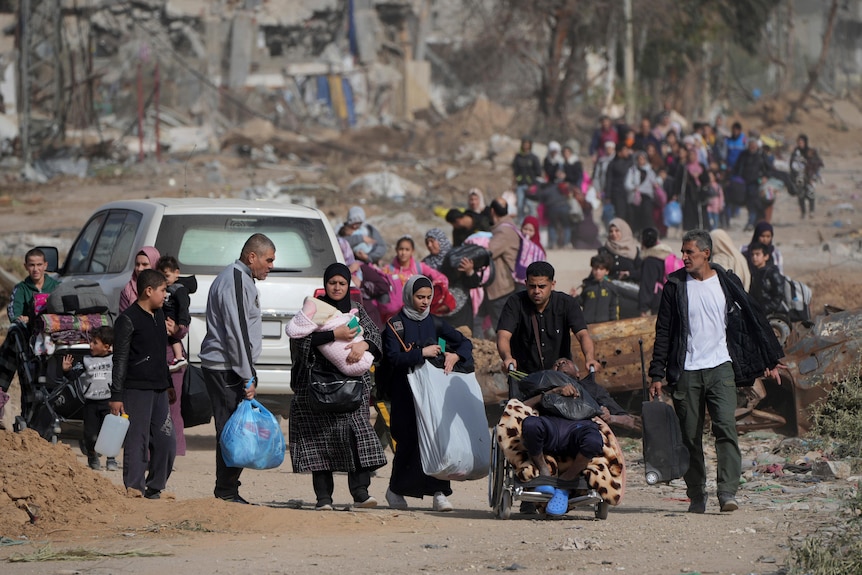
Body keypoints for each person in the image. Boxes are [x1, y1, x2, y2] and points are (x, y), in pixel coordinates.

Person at [648, 229, 784, 514]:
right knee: (690, 435)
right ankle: (697, 493)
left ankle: (727, 492)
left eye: (689, 252)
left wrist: (769, 359)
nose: (683, 257)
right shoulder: (675, 286)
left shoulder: (726, 281)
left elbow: (751, 318)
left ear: (706, 254)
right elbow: (664, 332)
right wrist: (656, 374)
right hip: (687, 370)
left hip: (721, 368)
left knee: (726, 428)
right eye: (683, 252)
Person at [288, 263, 387, 510]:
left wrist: (363, 346)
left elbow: (376, 338)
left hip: (353, 389)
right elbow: (299, 341)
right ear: (325, 284)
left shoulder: (357, 311)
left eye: (342, 283)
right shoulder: (314, 309)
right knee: (320, 443)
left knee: (358, 437)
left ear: (348, 285)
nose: (337, 287)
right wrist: (335, 335)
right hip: (318, 387)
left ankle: (361, 494)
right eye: (332, 282)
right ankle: (324, 499)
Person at [382, 275, 473, 511]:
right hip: (406, 394)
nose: (424, 302)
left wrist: (456, 355)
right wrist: (421, 353)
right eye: (419, 297)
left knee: (436, 440)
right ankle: (395, 491)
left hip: (434, 395)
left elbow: (464, 343)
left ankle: (439, 492)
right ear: (409, 296)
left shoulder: (437, 323)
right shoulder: (395, 325)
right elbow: (392, 358)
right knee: (408, 443)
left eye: (428, 297)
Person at [199, 233, 275, 503]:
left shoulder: (243, 279)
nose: (271, 266)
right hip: (226, 367)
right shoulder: (234, 279)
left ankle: (228, 489)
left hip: (232, 365)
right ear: (251, 256)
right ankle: (227, 491)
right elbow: (237, 331)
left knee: (234, 427)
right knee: (233, 429)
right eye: (268, 260)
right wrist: (247, 374)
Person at [110, 269, 176, 499]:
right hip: (135, 389)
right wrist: (116, 395)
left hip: (159, 388)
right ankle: (135, 488)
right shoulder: (127, 320)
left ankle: (156, 486)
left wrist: (168, 384)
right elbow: (119, 359)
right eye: (162, 290)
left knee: (166, 440)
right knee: (136, 441)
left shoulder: (159, 316)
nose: (165, 295)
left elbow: (161, 354)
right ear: (148, 291)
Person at [497, 261, 600, 376]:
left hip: (559, 376)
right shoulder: (515, 303)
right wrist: (507, 357)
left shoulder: (567, 303)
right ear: (526, 284)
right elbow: (503, 335)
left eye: (542, 287)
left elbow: (582, 335)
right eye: (532, 286)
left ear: (553, 284)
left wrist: (589, 358)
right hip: (525, 378)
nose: (536, 291)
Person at [59, 326, 117, 471]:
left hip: (108, 402)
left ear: (107, 347)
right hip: (91, 403)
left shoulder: (114, 360)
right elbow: (73, 376)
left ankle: (111, 458)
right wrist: (67, 370)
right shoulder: (86, 361)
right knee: (90, 435)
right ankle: (92, 455)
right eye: (91, 341)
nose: (91, 345)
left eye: (95, 343)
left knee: (110, 433)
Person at [156, 255, 191, 456]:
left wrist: (177, 327)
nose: (140, 268)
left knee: (173, 406)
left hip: (171, 358)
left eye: (145, 264)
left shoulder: (177, 291)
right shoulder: (133, 291)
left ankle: (175, 449)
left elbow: (182, 325)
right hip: (152, 356)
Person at [378, 236, 450, 324]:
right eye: (401, 249)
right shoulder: (387, 270)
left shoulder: (419, 267)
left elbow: (442, 279)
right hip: (394, 316)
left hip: (417, 314)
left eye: (407, 249)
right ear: (396, 250)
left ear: (412, 251)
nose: (403, 253)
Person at [485, 198, 522, 327]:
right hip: (503, 285)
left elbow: (488, 253)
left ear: (492, 211)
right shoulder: (509, 226)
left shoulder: (503, 231)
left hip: (502, 287)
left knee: (502, 327)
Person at [7, 248, 60, 326]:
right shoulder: (21, 288)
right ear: (26, 266)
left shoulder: (56, 286)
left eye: (39, 265)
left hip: (53, 330)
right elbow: (14, 312)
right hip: (28, 332)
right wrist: (20, 319)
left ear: (45, 265)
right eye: (32, 265)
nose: (35, 269)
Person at [156, 256, 190, 373]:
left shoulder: (178, 289)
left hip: (174, 319)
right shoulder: (169, 288)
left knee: (173, 339)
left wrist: (182, 321)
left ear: (177, 273)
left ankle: (179, 357)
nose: (164, 280)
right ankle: (179, 357)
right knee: (172, 339)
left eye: (166, 276)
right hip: (169, 320)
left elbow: (183, 306)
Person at [637, 228, 676, 316]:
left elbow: (647, 285)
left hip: (657, 301)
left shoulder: (650, 261)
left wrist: (643, 308)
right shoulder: (665, 255)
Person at [733, 138, 768, 232]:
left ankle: (751, 222)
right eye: (750, 145)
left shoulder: (760, 155)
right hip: (744, 183)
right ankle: (753, 222)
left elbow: (767, 168)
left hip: (756, 183)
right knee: (748, 203)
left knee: (754, 203)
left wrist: (765, 177)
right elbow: (737, 167)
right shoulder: (744, 155)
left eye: (754, 145)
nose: (752, 147)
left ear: (757, 146)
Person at [789, 134, 823, 220]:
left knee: (811, 193)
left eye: (801, 142)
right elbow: (792, 164)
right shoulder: (796, 152)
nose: (800, 143)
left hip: (810, 176)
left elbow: (817, 163)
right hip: (799, 176)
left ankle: (811, 211)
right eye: (799, 142)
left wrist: (813, 176)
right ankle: (803, 212)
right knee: (801, 195)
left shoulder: (811, 151)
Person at [577, 254, 619, 324]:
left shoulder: (611, 287)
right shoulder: (587, 285)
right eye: (595, 269)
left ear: (607, 271)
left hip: (605, 325)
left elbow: (613, 307)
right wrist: (574, 296)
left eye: (601, 269)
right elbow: (582, 302)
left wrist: (614, 323)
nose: (598, 272)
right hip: (588, 324)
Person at [747, 242, 785, 317]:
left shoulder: (773, 273)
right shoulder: (755, 274)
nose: (754, 257)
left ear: (766, 256)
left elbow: (779, 295)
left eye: (757, 254)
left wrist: (765, 308)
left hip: (774, 314)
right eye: (752, 255)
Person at [119, 246, 160, 313]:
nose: (139, 268)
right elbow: (124, 316)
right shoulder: (128, 290)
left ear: (154, 265)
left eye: (145, 264)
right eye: (137, 264)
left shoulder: (163, 288)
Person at [512, 137, 543, 219]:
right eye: (524, 143)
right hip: (520, 184)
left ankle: (532, 222)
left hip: (531, 185)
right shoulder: (518, 157)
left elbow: (538, 173)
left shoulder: (533, 158)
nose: (526, 145)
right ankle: (521, 223)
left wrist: (534, 184)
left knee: (530, 205)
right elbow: (515, 171)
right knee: (520, 204)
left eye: (527, 144)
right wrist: (513, 184)